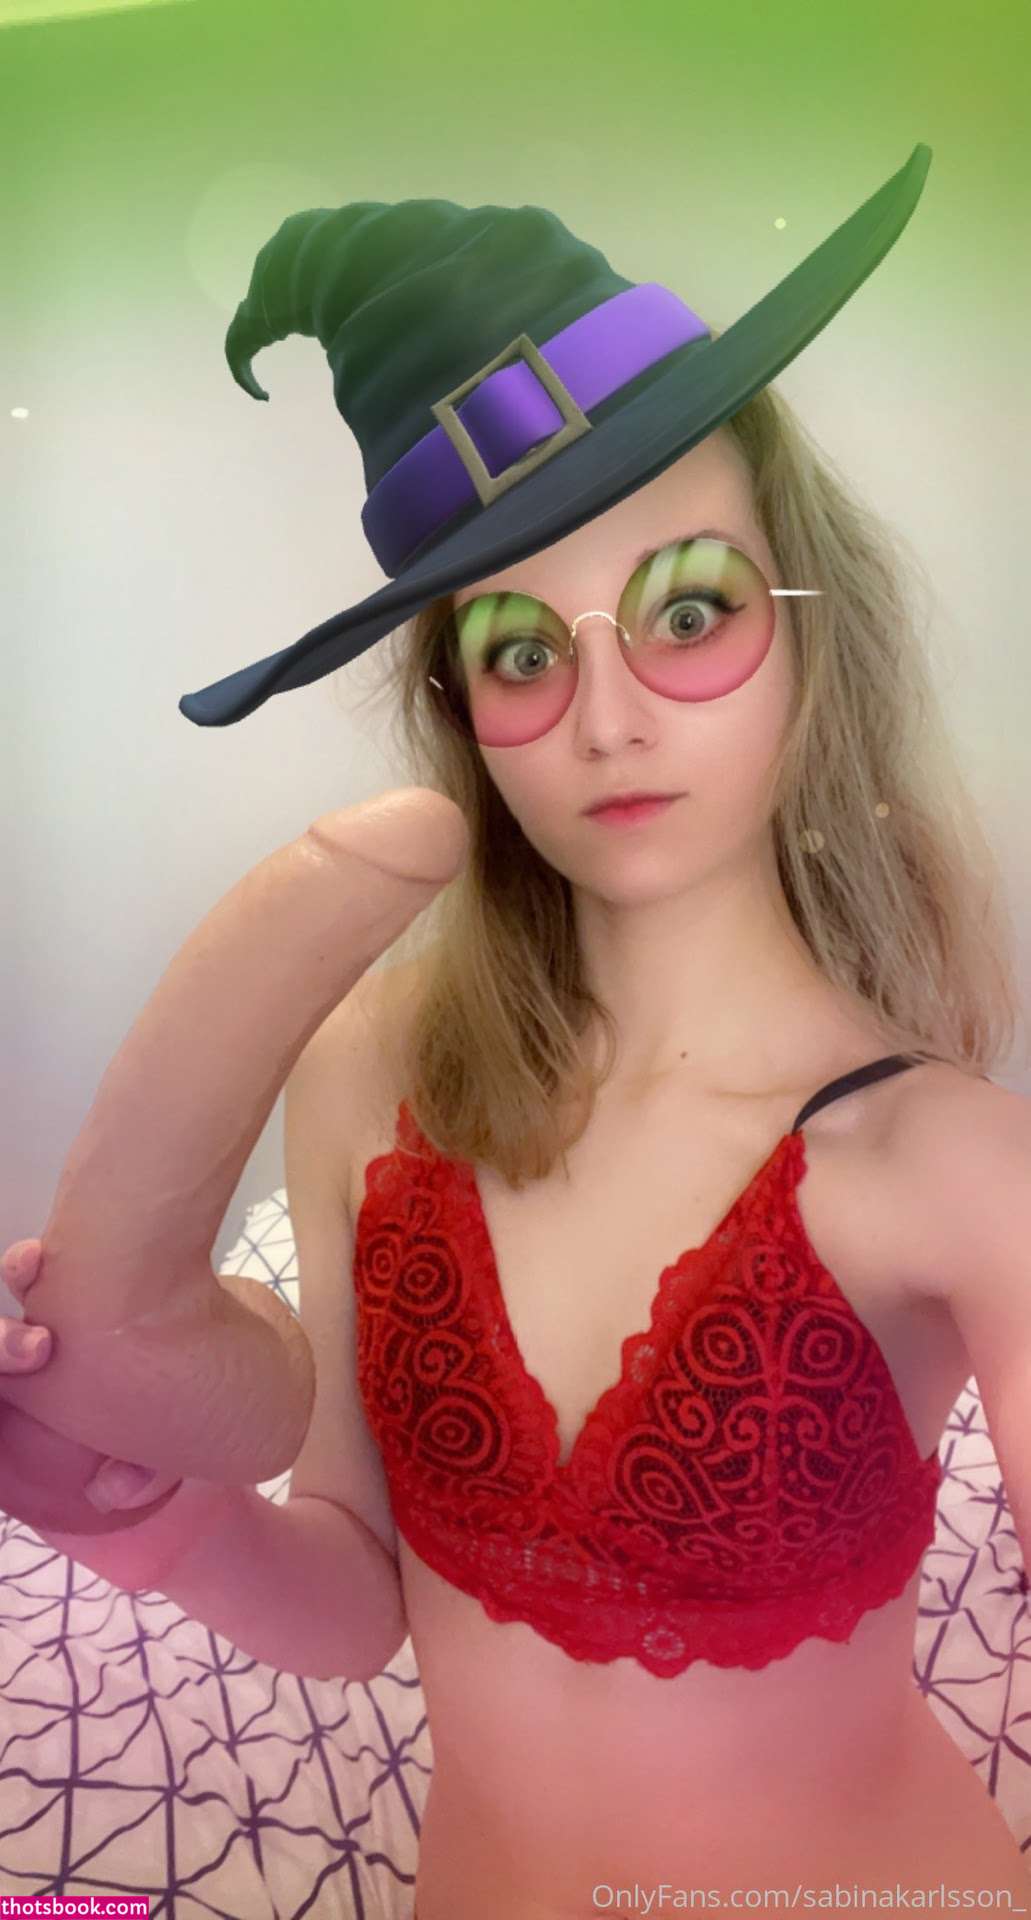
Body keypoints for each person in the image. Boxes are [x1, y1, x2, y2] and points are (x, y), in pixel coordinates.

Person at [4, 149, 1030, 1913]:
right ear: (460, 700)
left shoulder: (948, 1165)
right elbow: (360, 1599)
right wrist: (137, 1513)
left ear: (811, 623)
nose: (607, 717)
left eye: (687, 609)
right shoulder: (369, 1069)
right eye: (521, 647)